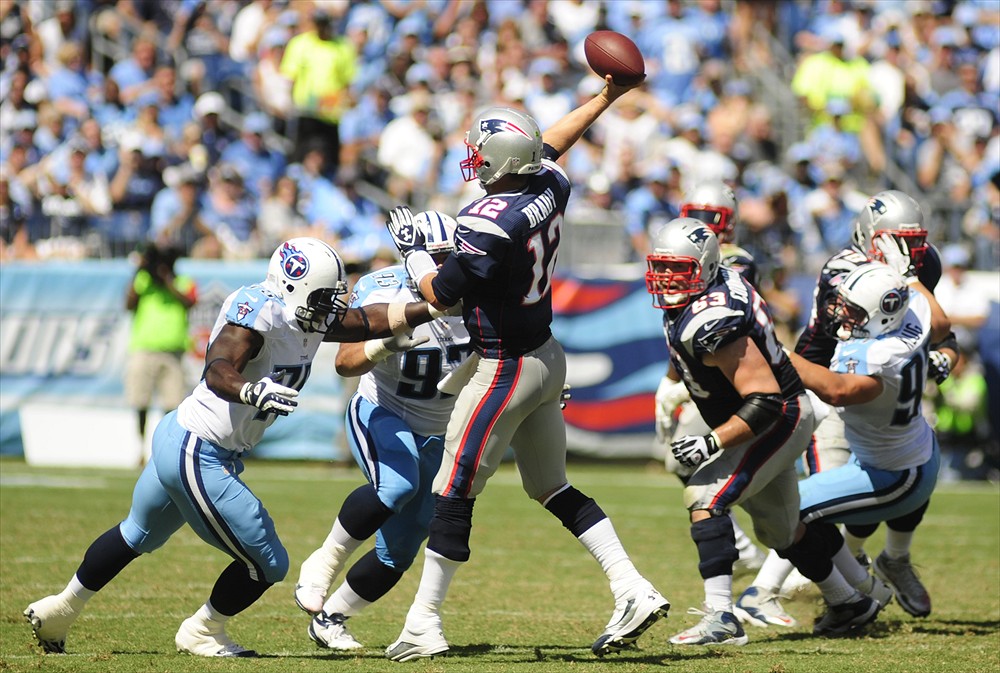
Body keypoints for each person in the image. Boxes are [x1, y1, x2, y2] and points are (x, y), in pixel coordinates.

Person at [24, 238, 446, 657]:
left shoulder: (310, 314)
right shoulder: (259, 310)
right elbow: (218, 366)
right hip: (198, 448)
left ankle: (60, 609)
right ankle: (203, 630)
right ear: (294, 286)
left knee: (135, 534)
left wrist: (433, 306)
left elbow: (365, 320)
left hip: (187, 438)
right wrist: (249, 389)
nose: (332, 306)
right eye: (324, 296)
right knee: (269, 564)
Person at [384, 76, 671, 661]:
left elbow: (440, 294)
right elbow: (551, 147)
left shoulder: (487, 222)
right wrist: (605, 97)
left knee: (453, 490)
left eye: (481, 151)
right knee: (551, 486)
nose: (473, 158)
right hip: (546, 357)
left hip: (505, 368)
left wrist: (414, 250)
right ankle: (632, 586)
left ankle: (423, 622)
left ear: (499, 161)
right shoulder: (546, 187)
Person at [645, 218, 881, 646]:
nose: (665, 278)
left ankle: (721, 616)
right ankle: (849, 602)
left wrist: (711, 441)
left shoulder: (713, 319)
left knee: (705, 497)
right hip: (763, 412)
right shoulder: (712, 289)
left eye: (676, 268)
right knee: (782, 530)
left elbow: (765, 399)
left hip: (776, 416)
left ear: (704, 268)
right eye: (659, 267)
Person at [737, 262, 953, 625]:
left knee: (791, 511)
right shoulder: (912, 310)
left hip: (895, 474)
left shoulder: (878, 354)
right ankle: (865, 590)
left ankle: (836, 599)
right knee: (803, 509)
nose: (841, 314)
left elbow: (838, 390)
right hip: (907, 452)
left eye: (852, 310)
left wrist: (776, 352)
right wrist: (908, 273)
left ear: (883, 313)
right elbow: (934, 316)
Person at [294, 211, 471, 651]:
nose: (448, 267)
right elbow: (343, 362)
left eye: (453, 256)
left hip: (441, 431)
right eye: (440, 257)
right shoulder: (382, 287)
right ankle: (324, 559)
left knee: (401, 550)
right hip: (382, 408)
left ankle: (332, 617)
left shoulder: (480, 292)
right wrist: (386, 340)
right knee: (396, 483)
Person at [786, 189, 955, 611]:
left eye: (914, 241)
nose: (908, 252)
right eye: (897, 240)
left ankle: (847, 590)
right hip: (837, 390)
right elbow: (855, 333)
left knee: (807, 505)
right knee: (834, 496)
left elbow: (942, 335)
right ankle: (856, 576)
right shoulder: (847, 270)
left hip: (863, 389)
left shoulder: (913, 279)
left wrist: (943, 358)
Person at [652, 181, 767, 579]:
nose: (701, 225)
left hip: (736, 383)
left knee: (711, 473)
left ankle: (752, 554)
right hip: (709, 376)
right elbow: (680, 332)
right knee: (684, 462)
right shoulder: (678, 255)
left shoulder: (733, 263)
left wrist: (682, 384)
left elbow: (714, 334)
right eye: (694, 215)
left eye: (709, 219)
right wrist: (671, 382)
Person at [124, 242, 197, 449]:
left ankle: (166, 447)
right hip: (144, 349)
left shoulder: (183, 281)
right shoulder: (143, 280)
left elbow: (190, 301)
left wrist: (167, 279)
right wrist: (140, 271)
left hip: (173, 353)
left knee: (172, 404)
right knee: (140, 401)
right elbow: (128, 304)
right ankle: (139, 447)